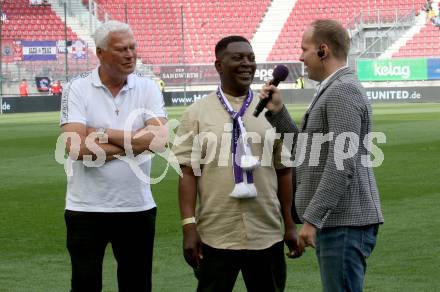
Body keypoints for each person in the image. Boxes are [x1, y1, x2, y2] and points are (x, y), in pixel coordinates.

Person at [259, 19, 384, 292]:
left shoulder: (341, 91)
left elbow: (341, 165)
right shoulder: (333, 88)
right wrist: (278, 112)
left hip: (344, 223)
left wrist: (313, 220)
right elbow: (309, 152)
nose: (300, 56)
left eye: (304, 49)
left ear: (323, 51)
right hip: (340, 222)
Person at [172, 35, 302, 292]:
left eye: (251, 58)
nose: (247, 64)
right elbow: (188, 172)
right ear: (218, 65)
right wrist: (189, 226)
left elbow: (284, 171)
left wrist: (289, 225)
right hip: (216, 235)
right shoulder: (196, 113)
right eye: (238, 58)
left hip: (267, 233)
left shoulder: (271, 111)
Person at [60, 20, 167, 292]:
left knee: (137, 285)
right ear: (100, 53)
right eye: (121, 49)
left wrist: (104, 133)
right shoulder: (77, 88)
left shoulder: (148, 87)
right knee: (85, 285)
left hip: (137, 207)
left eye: (133, 48)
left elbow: (161, 140)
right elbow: (75, 148)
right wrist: (137, 141)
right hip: (85, 209)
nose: (130, 55)